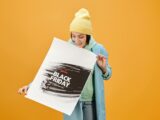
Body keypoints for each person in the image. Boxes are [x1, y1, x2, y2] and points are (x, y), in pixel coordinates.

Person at [18, 8, 112, 120]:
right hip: (72, 103)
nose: (76, 40)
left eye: (81, 36)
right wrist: (30, 87)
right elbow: (50, 73)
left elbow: (108, 75)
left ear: (88, 35)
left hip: (90, 103)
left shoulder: (98, 49)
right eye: (73, 36)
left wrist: (104, 68)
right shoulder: (66, 49)